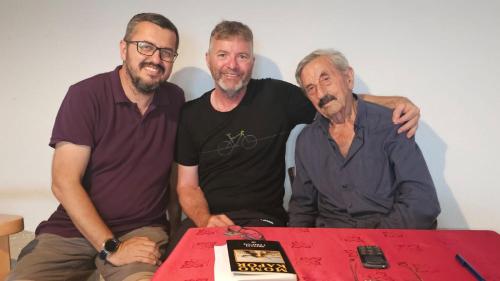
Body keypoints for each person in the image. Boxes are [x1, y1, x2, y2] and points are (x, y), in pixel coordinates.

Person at [171, 20, 421, 248]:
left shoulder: (275, 96)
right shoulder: (191, 114)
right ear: (208, 59)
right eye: (223, 55)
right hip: (206, 221)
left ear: (252, 62)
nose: (232, 65)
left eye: (242, 56)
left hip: (263, 221)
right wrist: (205, 220)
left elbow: (331, 100)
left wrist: (394, 102)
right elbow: (187, 185)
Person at [7, 13, 184, 281]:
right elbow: (64, 182)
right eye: (145, 47)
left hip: (141, 231)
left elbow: (176, 174)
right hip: (72, 231)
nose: (156, 59)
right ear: (123, 48)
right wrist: (111, 247)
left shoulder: (175, 99)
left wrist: (174, 233)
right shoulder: (85, 96)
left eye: (166, 52)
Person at [288, 49, 440, 229]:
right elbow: (302, 207)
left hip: (390, 235)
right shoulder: (307, 140)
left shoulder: (391, 124)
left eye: (325, 79)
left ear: (349, 78)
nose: (320, 94)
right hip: (333, 240)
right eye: (311, 88)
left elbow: (422, 202)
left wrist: (375, 240)